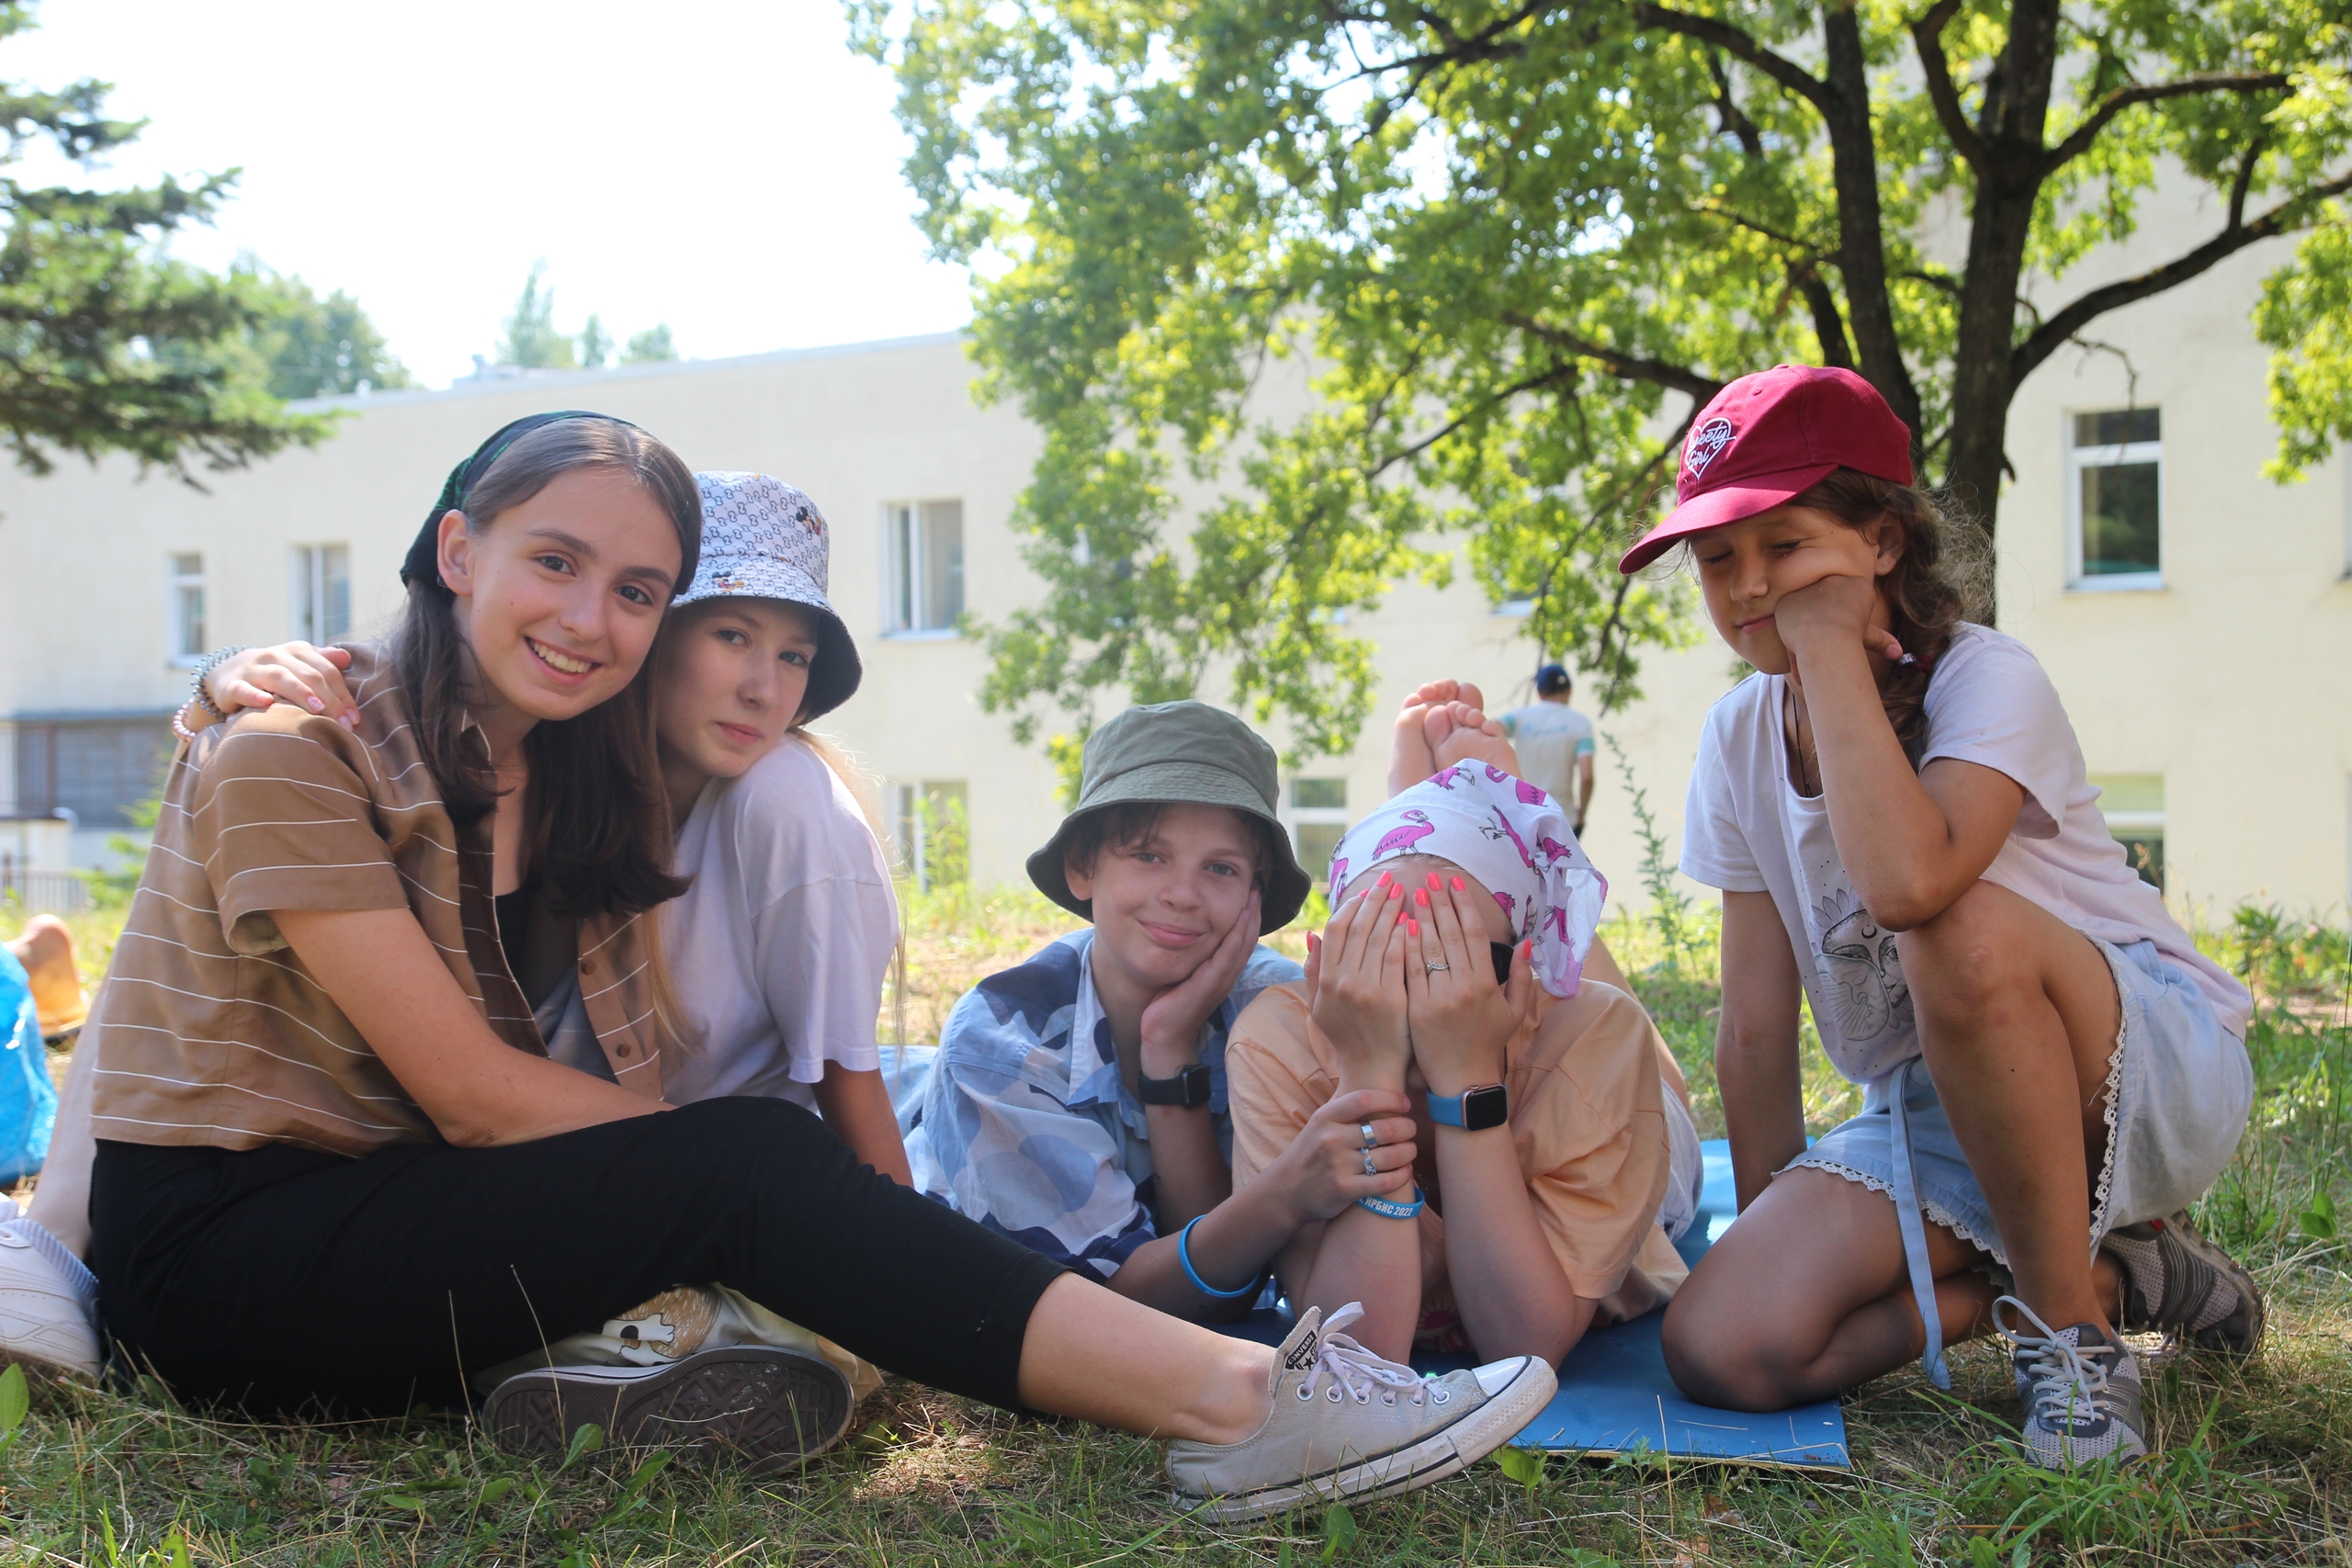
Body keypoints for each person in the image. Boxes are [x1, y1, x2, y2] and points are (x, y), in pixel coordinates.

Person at [40, 412, 1559, 1517]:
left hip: (401, 1218)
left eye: (639, 592)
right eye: (556, 562)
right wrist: (763, 1188)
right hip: (222, 1266)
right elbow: (471, 1095)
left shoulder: (565, 779)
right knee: (753, 1166)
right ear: (456, 550)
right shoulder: (293, 746)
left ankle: (658, 1357)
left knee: (759, 1174)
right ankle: (1241, 1403)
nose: (591, 618)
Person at [1626, 365, 2261, 1470]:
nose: (1749, 586)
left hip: (2142, 1069)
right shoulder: (1736, 740)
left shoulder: (1987, 677)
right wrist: (1777, 1231)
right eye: (1717, 558)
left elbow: (1909, 887)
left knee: (1955, 931)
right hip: (1943, 1110)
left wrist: (1830, 656)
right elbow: (1754, 1028)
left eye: (1786, 546)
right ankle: (2123, 1275)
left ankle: (2073, 1338)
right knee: (1725, 1347)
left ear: (1881, 541)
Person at [906, 701, 1407, 1319]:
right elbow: (1111, 1305)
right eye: (1149, 855)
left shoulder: (1283, 1015)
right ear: (1082, 867)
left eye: (1220, 867)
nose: (1183, 895)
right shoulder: (1001, 1047)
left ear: (1254, 895)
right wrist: (1285, 1194)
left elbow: (1218, 1283)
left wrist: (1170, 1048)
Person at [1227, 759, 1701, 1368]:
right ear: (1325, 964)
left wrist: (1467, 1084)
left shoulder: (1597, 1036)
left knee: (1658, 1087)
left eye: (1461, 961)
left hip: (1626, 1140)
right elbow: (1354, 1350)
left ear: (1521, 973)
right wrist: (1369, 1076)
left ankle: (1496, 797)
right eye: (1377, 954)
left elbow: (1521, 1346)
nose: (1419, 996)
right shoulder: (1277, 1040)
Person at [1497, 665, 1597, 835]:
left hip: (1522, 816)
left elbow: (1490, 728)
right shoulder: (1581, 723)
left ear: (1540, 693)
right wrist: (1582, 814)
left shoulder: (1520, 717)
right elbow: (1587, 777)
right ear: (1569, 690)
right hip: (1563, 818)